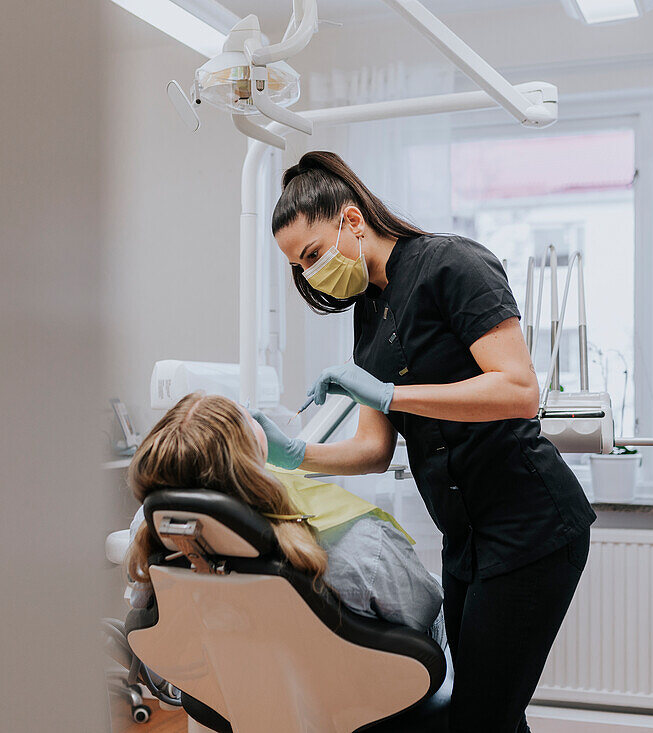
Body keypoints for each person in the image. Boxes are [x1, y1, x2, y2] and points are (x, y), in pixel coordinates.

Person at [253, 150, 596, 733]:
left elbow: (518, 390)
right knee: (493, 714)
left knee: (479, 717)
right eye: (298, 267)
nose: (310, 274)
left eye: (312, 255)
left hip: (532, 526)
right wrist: (294, 454)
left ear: (352, 221)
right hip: (464, 536)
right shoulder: (369, 311)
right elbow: (374, 450)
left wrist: (391, 394)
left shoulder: (452, 265)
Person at [124, 391, 445, 643]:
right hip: (359, 703)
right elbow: (425, 614)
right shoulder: (363, 543)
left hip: (236, 691)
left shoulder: (157, 526)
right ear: (255, 450)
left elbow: (143, 605)